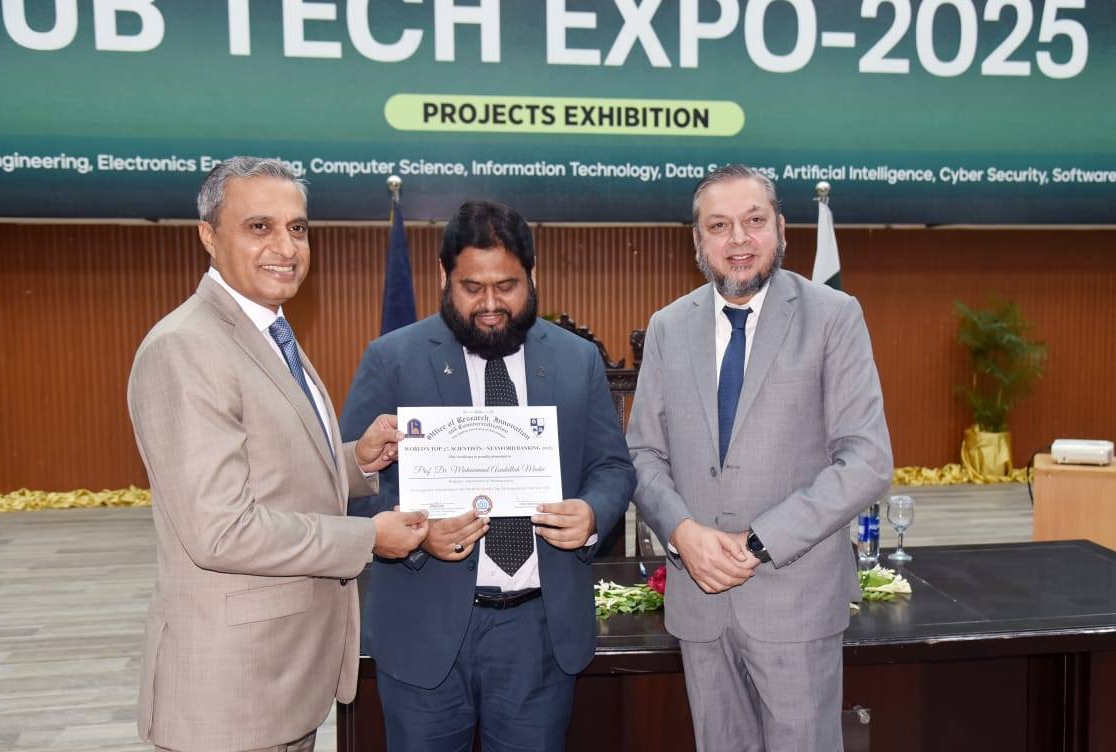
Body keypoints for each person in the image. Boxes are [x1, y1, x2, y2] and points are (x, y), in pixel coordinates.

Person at [127, 157, 428, 752]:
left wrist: (358, 461)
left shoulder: (267, 332)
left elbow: (272, 471)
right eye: (259, 227)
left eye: (297, 228)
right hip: (230, 693)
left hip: (279, 677)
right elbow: (221, 530)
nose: (286, 247)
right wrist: (368, 538)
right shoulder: (187, 347)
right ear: (208, 235)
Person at [340, 200, 635, 752]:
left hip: (538, 633)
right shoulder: (393, 359)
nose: (491, 305)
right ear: (444, 276)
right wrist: (416, 533)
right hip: (425, 629)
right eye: (472, 287)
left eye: (507, 286)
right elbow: (354, 484)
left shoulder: (577, 360)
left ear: (532, 274)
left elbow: (611, 466)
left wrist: (592, 512)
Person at [626, 164, 893, 751]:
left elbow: (867, 459)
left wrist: (758, 542)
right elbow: (642, 453)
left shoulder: (833, 316)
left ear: (781, 228)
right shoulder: (668, 327)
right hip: (699, 601)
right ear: (698, 241)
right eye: (719, 226)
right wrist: (683, 533)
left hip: (796, 601)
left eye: (754, 221)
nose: (739, 239)